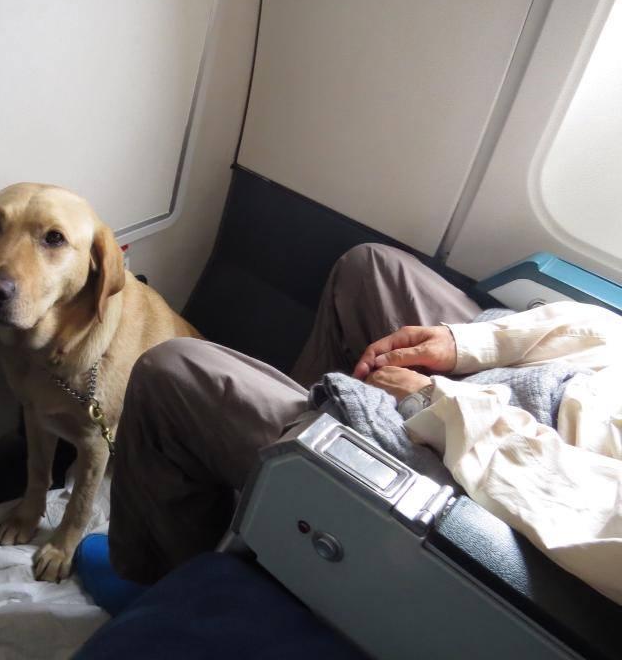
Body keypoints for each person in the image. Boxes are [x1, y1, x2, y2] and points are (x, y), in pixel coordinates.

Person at [107, 244, 622, 604]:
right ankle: (271, 499)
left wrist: (430, 401)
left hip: (513, 487)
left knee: (171, 372)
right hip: (552, 384)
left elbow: (584, 512)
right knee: (366, 271)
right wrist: (466, 344)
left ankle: (159, 580)